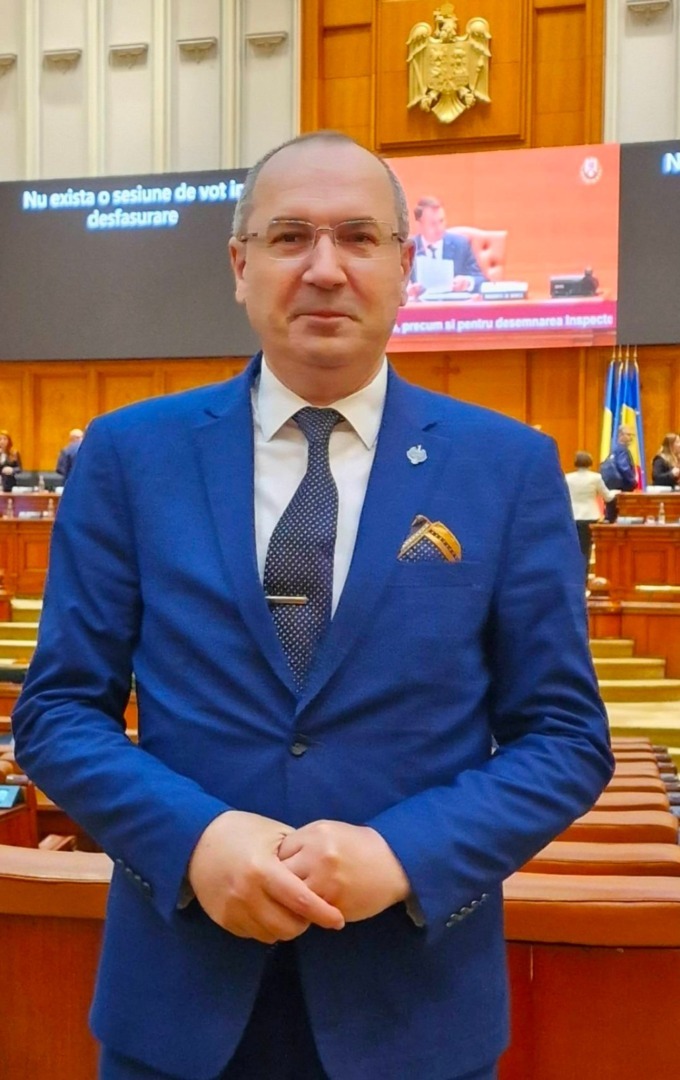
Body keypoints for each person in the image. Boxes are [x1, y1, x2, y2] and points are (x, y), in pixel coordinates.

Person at [12, 131, 613, 1080]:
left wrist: (403, 855)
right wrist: (196, 840)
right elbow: (55, 712)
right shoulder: (129, 457)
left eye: (359, 238)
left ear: (406, 267)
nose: (325, 268)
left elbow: (566, 739)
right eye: (290, 236)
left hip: (415, 1012)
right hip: (176, 1008)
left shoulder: (507, 468)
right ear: (239, 266)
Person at [408, 195, 486, 297]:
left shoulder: (461, 245)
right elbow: (394, 285)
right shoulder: (408, 249)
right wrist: (407, 290)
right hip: (421, 305)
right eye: (433, 224)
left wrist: (467, 282)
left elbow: (481, 279)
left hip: (453, 305)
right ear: (420, 225)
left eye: (441, 221)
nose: (439, 228)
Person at [565, 451, 617, 582]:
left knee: (573, 549)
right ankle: (584, 580)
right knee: (586, 550)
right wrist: (616, 492)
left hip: (572, 517)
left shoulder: (567, 478)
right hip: (590, 516)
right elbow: (608, 497)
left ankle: (573, 578)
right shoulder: (596, 478)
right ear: (590, 462)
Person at [600, 423, 638, 522]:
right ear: (621, 435)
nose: (631, 438)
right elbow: (624, 467)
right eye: (628, 435)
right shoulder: (621, 450)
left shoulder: (614, 448)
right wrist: (633, 481)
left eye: (632, 435)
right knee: (618, 516)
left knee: (611, 514)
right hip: (621, 488)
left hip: (612, 487)